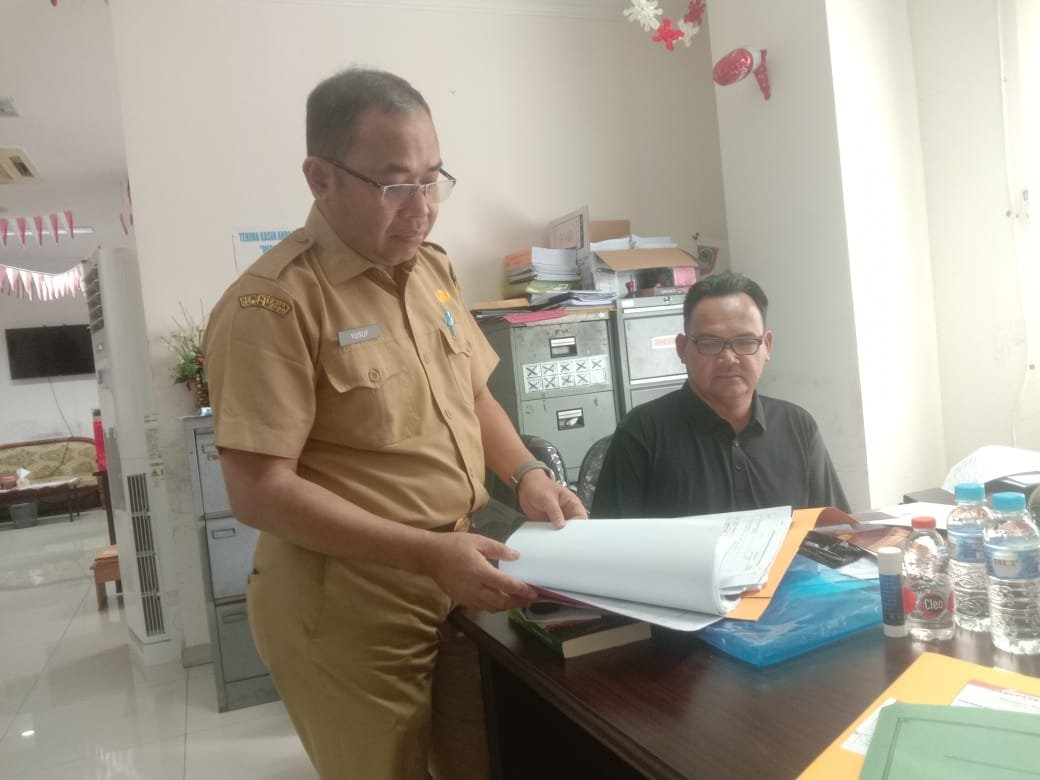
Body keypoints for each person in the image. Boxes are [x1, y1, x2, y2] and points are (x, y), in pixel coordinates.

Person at [203, 68, 585, 779]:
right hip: (348, 600)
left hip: (459, 572)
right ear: (320, 177)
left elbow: (474, 395)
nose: (422, 208)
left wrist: (528, 474)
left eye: (433, 179)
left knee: (488, 758)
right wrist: (427, 554)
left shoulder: (431, 271)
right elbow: (258, 491)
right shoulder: (274, 304)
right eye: (394, 184)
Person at [591, 271, 850, 518]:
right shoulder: (642, 434)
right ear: (682, 349)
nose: (729, 358)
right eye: (710, 343)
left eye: (745, 342)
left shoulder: (798, 427)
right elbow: (609, 543)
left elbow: (836, 531)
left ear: (767, 346)